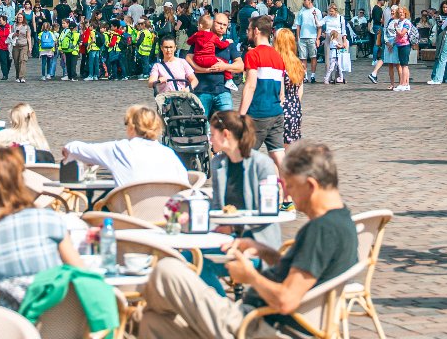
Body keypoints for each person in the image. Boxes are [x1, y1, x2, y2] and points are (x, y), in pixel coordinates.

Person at [134, 140, 355, 339]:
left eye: (292, 187)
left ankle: (131, 312)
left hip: (257, 327)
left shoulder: (322, 230)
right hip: (262, 321)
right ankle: (138, 315)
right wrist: (264, 251)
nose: (288, 195)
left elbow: (287, 300)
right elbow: (302, 278)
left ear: (311, 186)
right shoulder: (342, 222)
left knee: (167, 270)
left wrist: (250, 277)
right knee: (152, 323)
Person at [0, 145, 81, 308]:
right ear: (21, 182)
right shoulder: (49, 221)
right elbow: (80, 272)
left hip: (0, 326)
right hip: (51, 324)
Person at [205, 111, 282, 247]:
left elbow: (268, 210)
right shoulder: (217, 163)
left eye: (212, 135)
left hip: (258, 242)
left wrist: (233, 228)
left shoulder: (262, 164)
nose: (210, 140)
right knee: (186, 258)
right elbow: (217, 207)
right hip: (225, 239)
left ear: (226, 134)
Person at [63, 104, 190, 186]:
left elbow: (72, 148)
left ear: (131, 127)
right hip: (164, 218)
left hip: (127, 217)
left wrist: (87, 158)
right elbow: (185, 187)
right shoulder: (168, 154)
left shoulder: (120, 149)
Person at [239, 17, 289, 159]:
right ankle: (288, 181)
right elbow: (281, 94)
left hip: (258, 113)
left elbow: (250, 86)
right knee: (279, 156)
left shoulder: (253, 54)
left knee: (243, 155)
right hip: (276, 113)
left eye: (249, 29)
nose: (247, 32)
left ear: (256, 31)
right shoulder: (278, 56)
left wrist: (241, 115)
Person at [190, 14, 243, 117]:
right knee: (202, 125)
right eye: (219, 23)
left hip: (223, 91)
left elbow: (240, 66)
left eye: (224, 24)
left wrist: (225, 67)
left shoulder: (228, 44)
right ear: (212, 23)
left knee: (228, 122)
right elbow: (188, 59)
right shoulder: (200, 38)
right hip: (202, 90)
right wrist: (203, 70)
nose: (221, 27)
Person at [272, 29, 305, 145]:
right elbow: (300, 90)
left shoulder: (278, 62)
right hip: (295, 107)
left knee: (278, 150)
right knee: (291, 147)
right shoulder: (298, 63)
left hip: (280, 108)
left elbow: (279, 91)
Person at [294, 0, 322, 84]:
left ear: (310, 1)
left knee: (313, 56)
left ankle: (313, 75)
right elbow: (298, 26)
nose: (304, 1)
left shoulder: (317, 11)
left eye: (305, 0)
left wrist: (318, 38)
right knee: (303, 58)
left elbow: (319, 26)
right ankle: (305, 75)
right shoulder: (301, 12)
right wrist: (298, 38)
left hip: (312, 37)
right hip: (302, 37)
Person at [321, 4, 351, 84]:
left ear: (335, 11)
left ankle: (338, 77)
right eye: (329, 11)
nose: (330, 13)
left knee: (339, 58)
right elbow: (319, 24)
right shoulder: (326, 18)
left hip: (338, 35)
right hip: (328, 35)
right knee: (328, 57)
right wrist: (314, 17)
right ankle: (328, 77)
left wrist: (344, 41)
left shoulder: (341, 18)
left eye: (332, 11)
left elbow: (344, 30)